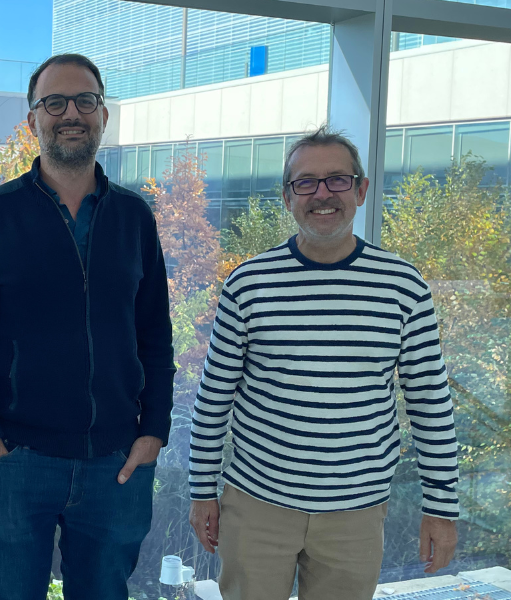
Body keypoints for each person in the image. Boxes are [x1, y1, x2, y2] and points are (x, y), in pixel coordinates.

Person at [0, 53, 176, 600]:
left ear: (103, 115)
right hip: (17, 461)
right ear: (32, 120)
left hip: (116, 465)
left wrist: (153, 432)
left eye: (85, 101)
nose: (72, 113)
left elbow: (155, 336)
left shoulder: (135, 218)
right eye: (54, 102)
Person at [188, 125, 459, 600]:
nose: (322, 194)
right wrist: (201, 491)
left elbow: (430, 404)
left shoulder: (403, 286)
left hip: (356, 515)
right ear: (288, 198)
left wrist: (441, 508)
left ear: (361, 189)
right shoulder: (248, 284)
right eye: (305, 183)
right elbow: (213, 400)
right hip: (256, 508)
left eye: (336, 179)